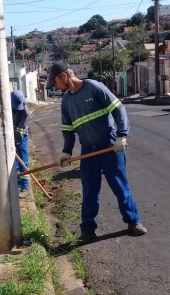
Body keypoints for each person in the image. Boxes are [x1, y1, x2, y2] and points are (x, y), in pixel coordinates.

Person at [45, 62, 147, 243]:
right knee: (90, 191)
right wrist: (66, 152)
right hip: (88, 151)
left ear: (64, 76)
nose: (55, 87)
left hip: (110, 147)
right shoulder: (66, 101)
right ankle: (88, 231)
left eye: (55, 83)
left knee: (119, 187)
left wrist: (121, 136)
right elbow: (68, 129)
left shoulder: (93, 87)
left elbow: (118, 109)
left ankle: (134, 222)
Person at [11, 89, 30, 196]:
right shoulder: (6, 108)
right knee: (13, 162)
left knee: (23, 159)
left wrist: (15, 142)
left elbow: (20, 130)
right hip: (10, 136)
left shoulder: (26, 112)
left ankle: (25, 186)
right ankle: (16, 184)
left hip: (21, 136)